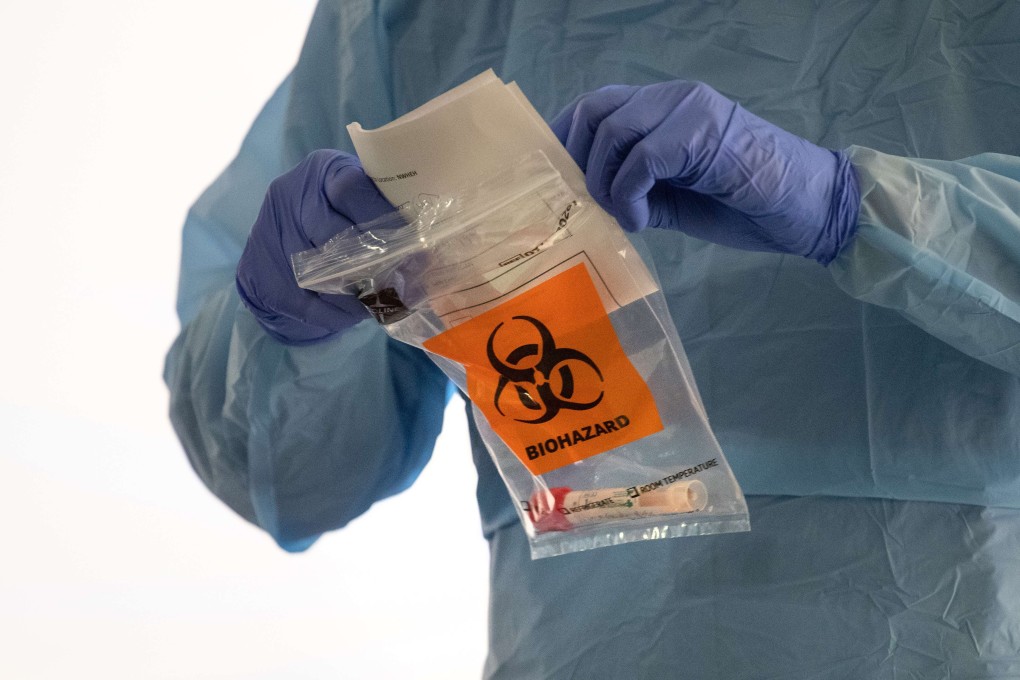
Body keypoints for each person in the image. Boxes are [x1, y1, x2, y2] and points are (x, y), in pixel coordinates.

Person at [165, 1, 1020, 677]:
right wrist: (291, 322)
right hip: (585, 644)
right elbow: (289, 475)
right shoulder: (412, 17)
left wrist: (857, 206)